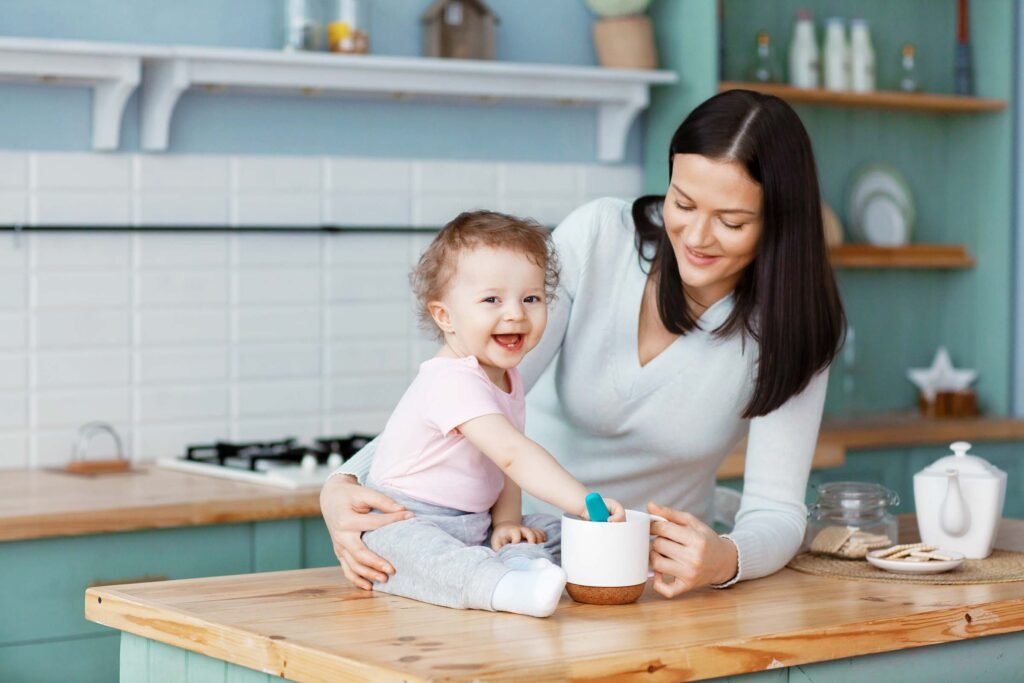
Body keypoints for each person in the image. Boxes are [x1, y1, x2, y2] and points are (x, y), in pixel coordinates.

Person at [321, 89, 845, 598]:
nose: (696, 236)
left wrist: (724, 560)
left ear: (778, 223)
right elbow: (467, 387)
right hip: (511, 540)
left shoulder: (795, 326)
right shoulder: (601, 238)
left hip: (645, 581)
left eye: (731, 221)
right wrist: (345, 481)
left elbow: (777, 511)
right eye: (682, 203)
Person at [342, 210, 625, 618]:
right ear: (445, 316)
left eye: (531, 298)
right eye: (492, 300)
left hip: (473, 524)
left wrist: (508, 522)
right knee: (418, 554)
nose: (515, 313)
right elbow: (514, 454)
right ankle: (506, 586)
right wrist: (583, 501)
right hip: (404, 519)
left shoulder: (508, 377)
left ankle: (519, 562)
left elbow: (501, 465)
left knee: (552, 528)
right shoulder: (450, 380)